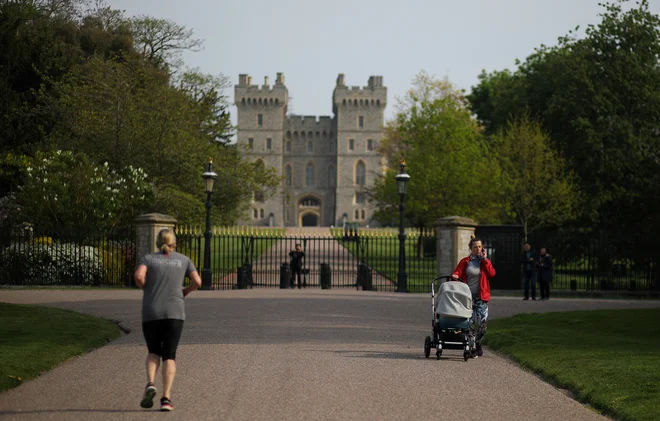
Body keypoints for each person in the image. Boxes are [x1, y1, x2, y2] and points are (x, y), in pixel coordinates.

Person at [134, 229, 201, 412]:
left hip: (151, 311)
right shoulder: (184, 260)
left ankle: (150, 383)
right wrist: (185, 291)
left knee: (153, 351)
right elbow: (197, 281)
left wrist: (146, 288)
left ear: (157, 241)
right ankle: (166, 398)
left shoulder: (148, 259)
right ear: (174, 242)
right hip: (175, 312)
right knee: (169, 355)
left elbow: (139, 276)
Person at [451, 236, 496, 358]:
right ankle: (472, 348)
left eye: (480, 246)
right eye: (475, 247)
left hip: (481, 297)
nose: (478, 249)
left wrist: (485, 260)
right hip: (468, 297)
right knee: (469, 324)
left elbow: (492, 273)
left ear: (483, 248)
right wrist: (455, 275)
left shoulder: (484, 261)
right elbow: (457, 272)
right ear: (471, 248)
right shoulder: (465, 261)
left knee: (483, 325)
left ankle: (477, 342)